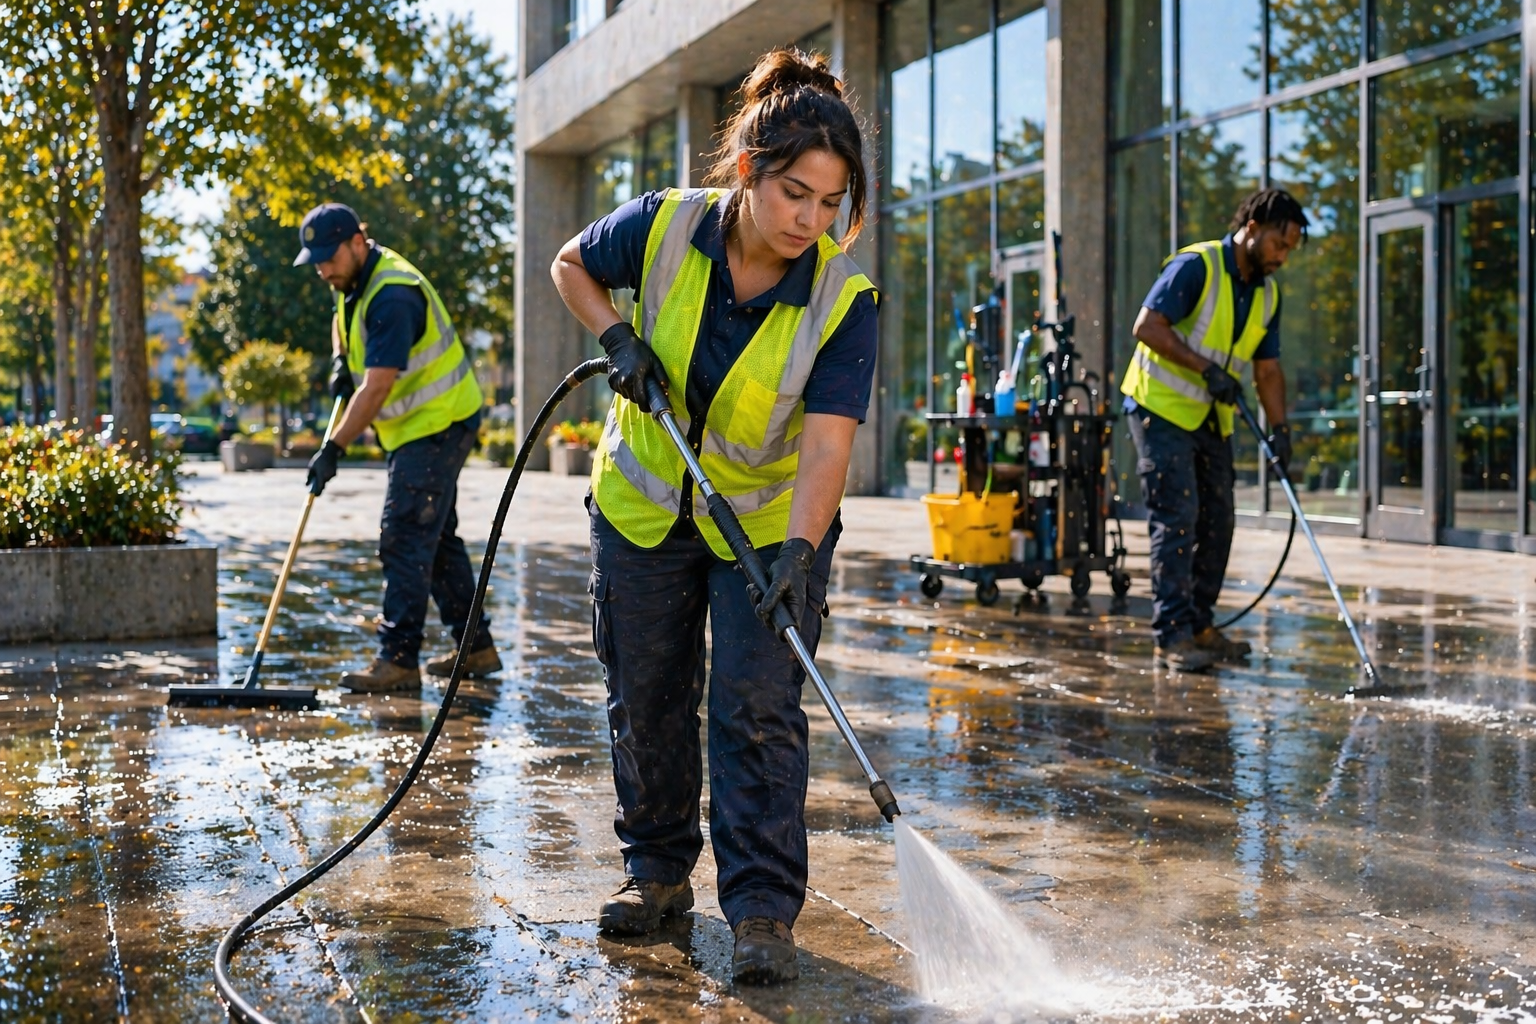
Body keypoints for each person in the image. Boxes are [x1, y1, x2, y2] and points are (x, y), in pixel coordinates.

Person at [549, 48, 878, 985]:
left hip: (771, 526)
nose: (812, 221)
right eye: (795, 196)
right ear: (748, 172)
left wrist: (801, 555)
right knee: (646, 694)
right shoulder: (663, 227)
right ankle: (654, 876)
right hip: (646, 504)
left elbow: (827, 445)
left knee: (757, 705)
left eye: (831, 202)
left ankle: (764, 910)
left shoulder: (840, 298)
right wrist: (616, 336)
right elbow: (572, 264)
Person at [296, 203, 501, 693]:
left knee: (405, 533)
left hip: (438, 422)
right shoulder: (353, 281)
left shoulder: (393, 294)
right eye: (317, 260)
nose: (324, 268)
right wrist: (338, 361)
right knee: (436, 539)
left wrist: (335, 448)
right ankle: (476, 648)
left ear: (357, 242)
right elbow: (344, 319)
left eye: (330, 257)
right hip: (418, 425)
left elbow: (378, 386)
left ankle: (399, 658)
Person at [1120, 188, 1308, 673]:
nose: (1282, 257)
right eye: (1279, 244)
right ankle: (1172, 635)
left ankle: (1200, 624)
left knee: (1220, 519)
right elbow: (1147, 326)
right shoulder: (1198, 266)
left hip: (1208, 417)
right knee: (1177, 515)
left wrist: (1280, 430)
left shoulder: (1268, 295)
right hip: (1158, 407)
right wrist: (1205, 369)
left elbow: (1267, 370)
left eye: (1290, 249)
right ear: (1252, 227)